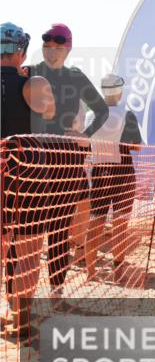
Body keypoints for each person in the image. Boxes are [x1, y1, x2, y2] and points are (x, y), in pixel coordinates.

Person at [28, 23, 109, 293]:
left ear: (69, 48)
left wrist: (86, 135)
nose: (51, 51)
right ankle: (20, 298)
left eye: (57, 47)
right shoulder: (31, 72)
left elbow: (102, 111)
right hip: (33, 161)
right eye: (47, 46)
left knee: (59, 232)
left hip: (67, 161)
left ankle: (56, 290)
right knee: (25, 232)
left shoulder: (76, 77)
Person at [1, 22, 54, 339]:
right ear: (20, 50)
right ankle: (21, 322)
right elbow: (50, 113)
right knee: (29, 254)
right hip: (27, 176)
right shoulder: (32, 83)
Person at [85, 74, 143, 284]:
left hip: (99, 172)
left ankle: (91, 272)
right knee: (120, 226)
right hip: (122, 174)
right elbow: (137, 146)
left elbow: (86, 142)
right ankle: (118, 273)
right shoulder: (126, 115)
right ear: (119, 91)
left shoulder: (91, 116)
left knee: (95, 222)